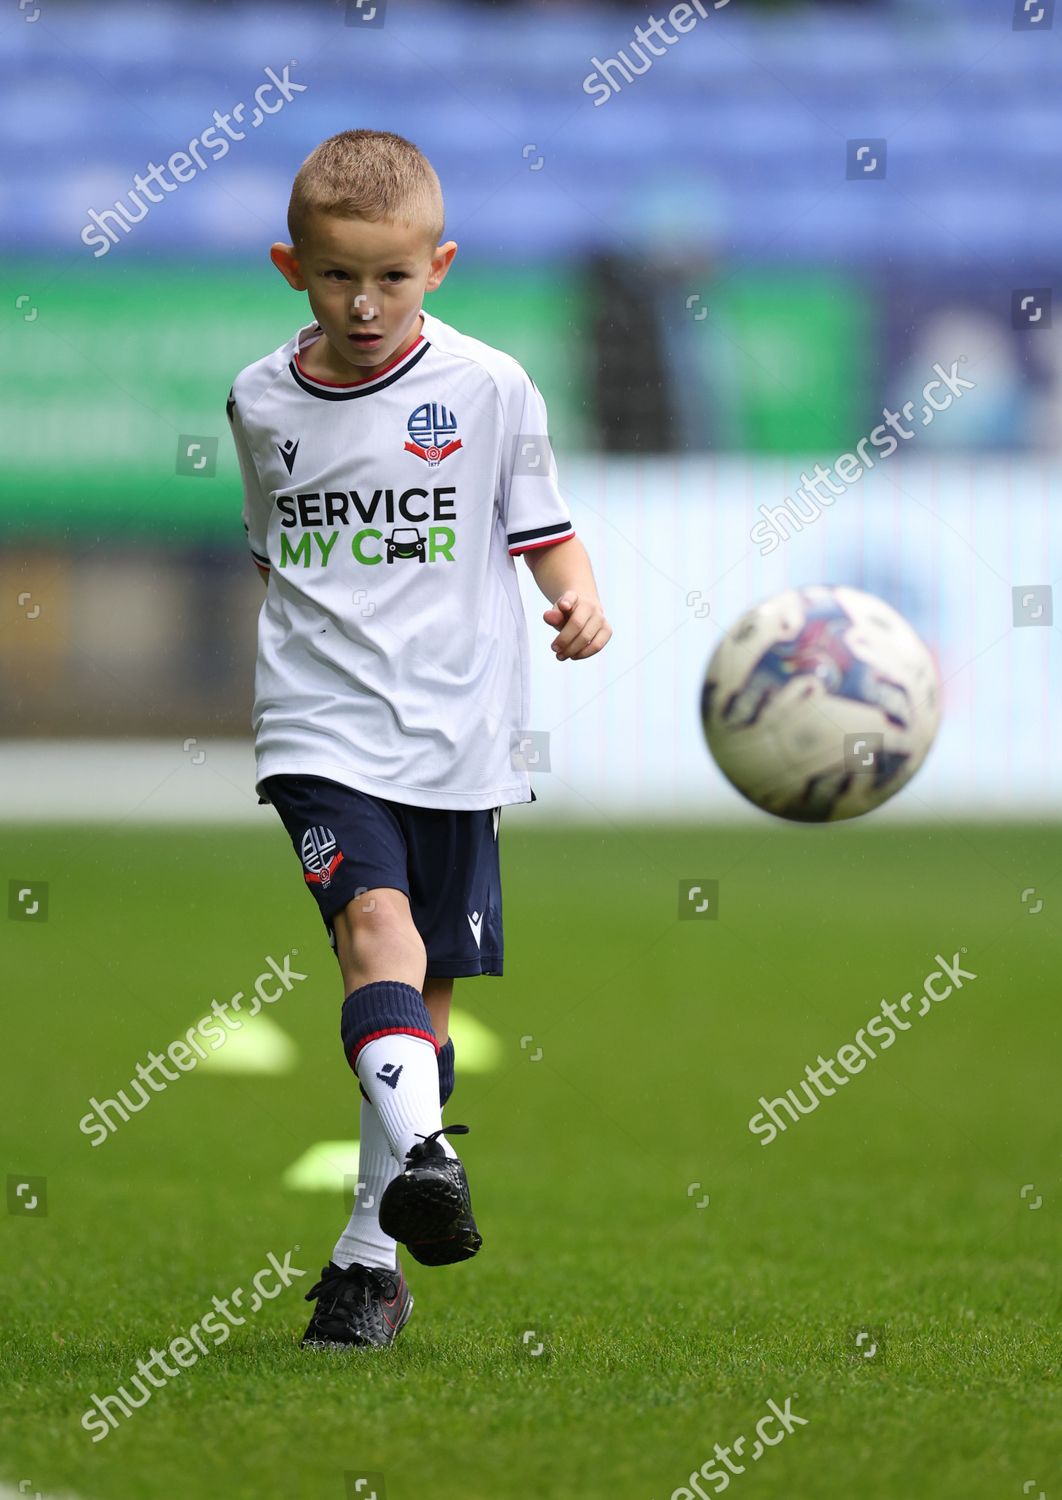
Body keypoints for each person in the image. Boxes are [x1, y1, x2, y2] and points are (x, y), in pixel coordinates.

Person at [226, 129, 612, 1349]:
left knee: (419, 1001)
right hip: (321, 728)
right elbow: (271, 556)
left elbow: (544, 526)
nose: (365, 302)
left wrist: (578, 594)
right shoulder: (258, 400)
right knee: (371, 933)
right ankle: (433, 1153)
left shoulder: (491, 388)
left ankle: (365, 1263)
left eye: (392, 278)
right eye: (339, 276)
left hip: (460, 736)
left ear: (438, 264)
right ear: (293, 265)